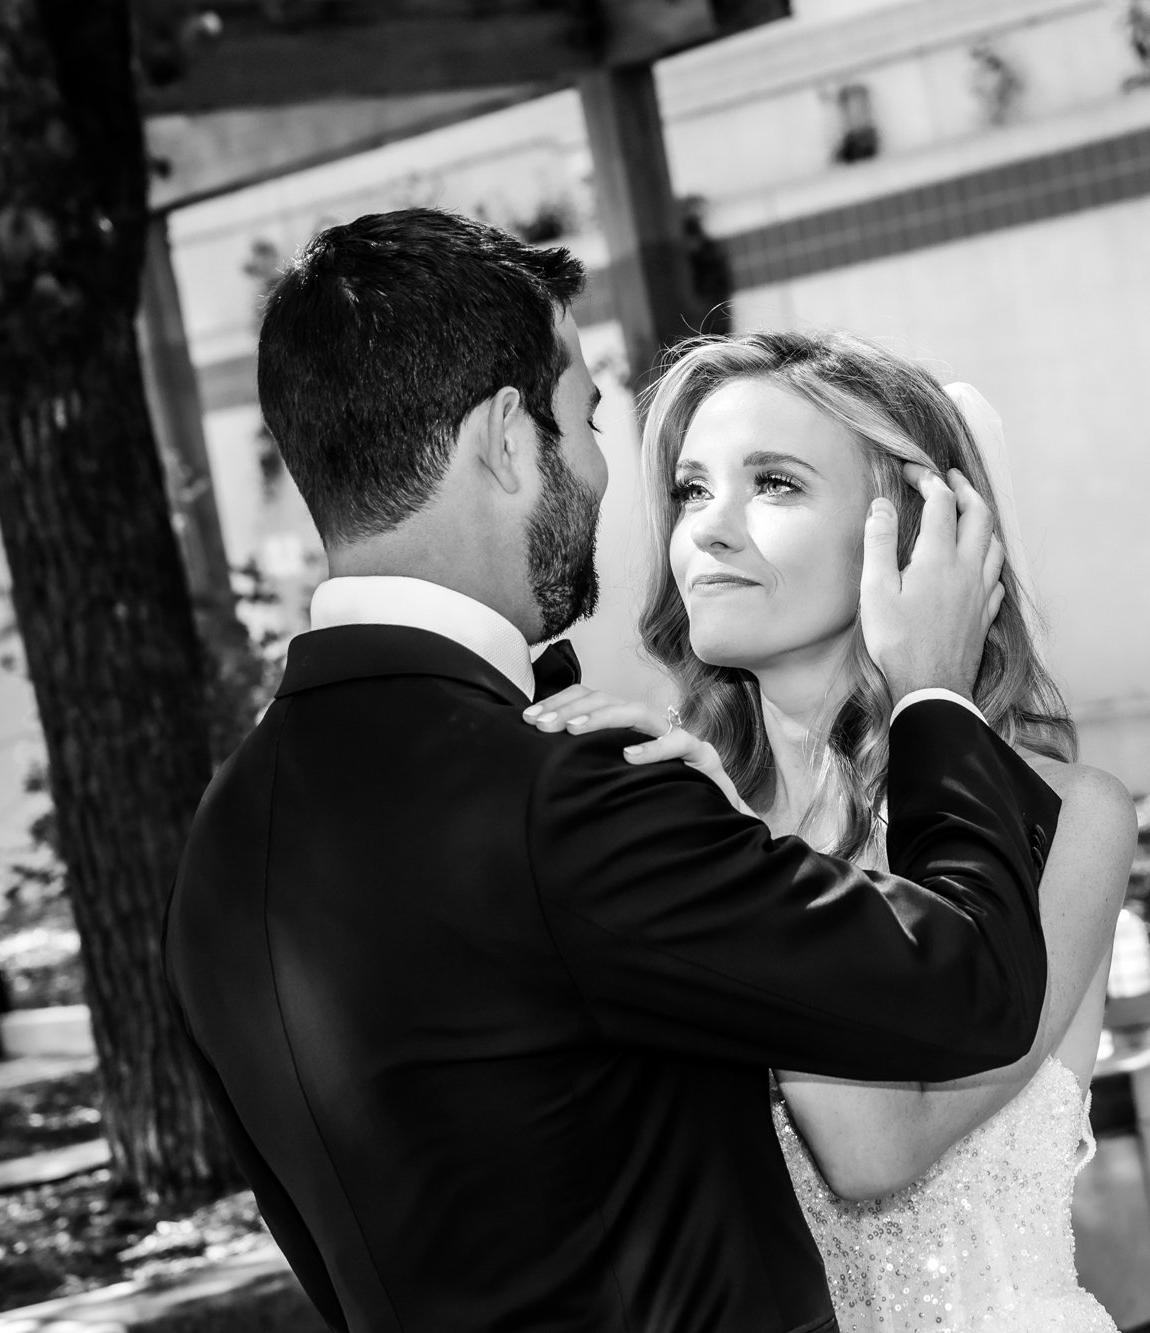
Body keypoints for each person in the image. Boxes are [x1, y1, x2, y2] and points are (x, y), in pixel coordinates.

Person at [163, 207, 1066, 1333]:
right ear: (507, 440)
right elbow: (964, 986)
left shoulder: (223, 841)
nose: (600, 470)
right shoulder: (565, 792)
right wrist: (933, 698)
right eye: (585, 419)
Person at [525, 331, 1138, 1332]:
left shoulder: (1070, 819)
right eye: (688, 489)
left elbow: (874, 1149)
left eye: (772, 482)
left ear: (912, 533)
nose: (708, 532)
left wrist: (725, 841)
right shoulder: (659, 812)